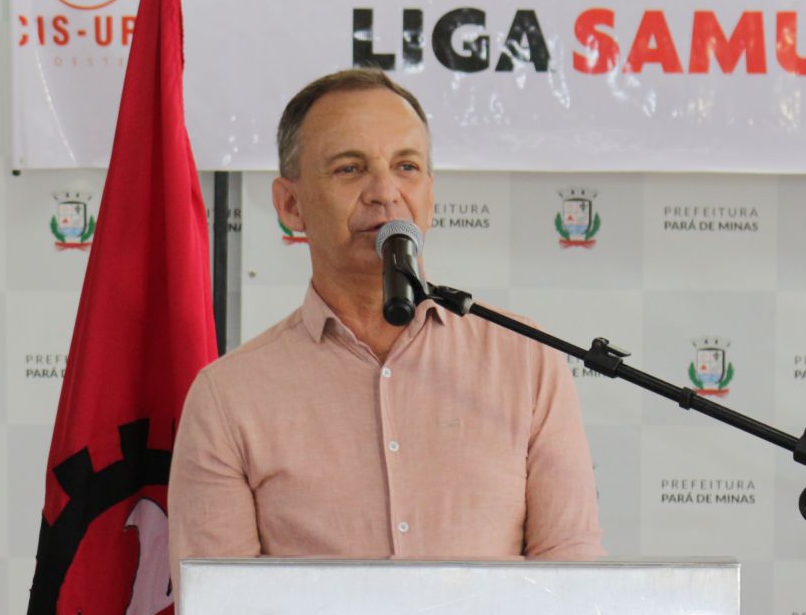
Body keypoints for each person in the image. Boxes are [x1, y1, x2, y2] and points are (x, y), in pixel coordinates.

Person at [170, 68, 603, 571]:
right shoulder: (228, 397)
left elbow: (571, 574)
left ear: (430, 197)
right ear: (290, 205)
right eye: (350, 169)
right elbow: (221, 609)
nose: (384, 192)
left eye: (406, 167)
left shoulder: (527, 360)